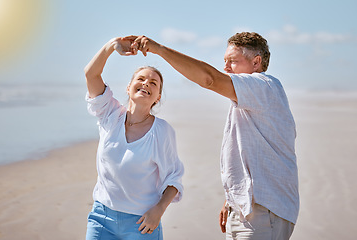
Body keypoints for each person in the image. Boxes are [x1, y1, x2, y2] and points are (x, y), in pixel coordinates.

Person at [125, 32, 299, 240]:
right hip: (246, 208)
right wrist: (231, 201)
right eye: (224, 61)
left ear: (256, 62)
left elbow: (209, 79)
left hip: (265, 210)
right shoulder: (250, 98)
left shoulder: (264, 86)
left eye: (232, 61)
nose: (225, 68)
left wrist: (159, 50)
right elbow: (252, 153)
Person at [84, 37, 184, 240]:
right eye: (141, 79)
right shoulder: (109, 114)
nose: (146, 83)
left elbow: (174, 178)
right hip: (101, 218)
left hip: (142, 223)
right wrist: (111, 46)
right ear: (129, 87)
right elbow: (91, 74)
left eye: (153, 83)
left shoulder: (162, 131)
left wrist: (159, 210)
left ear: (157, 97)